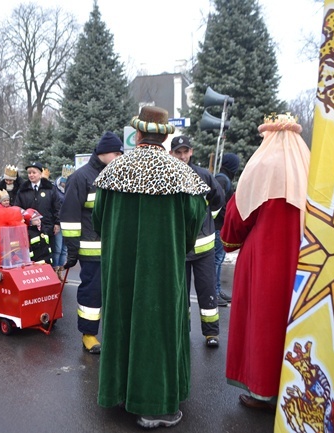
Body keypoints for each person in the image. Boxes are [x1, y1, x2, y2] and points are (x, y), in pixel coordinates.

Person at [92, 106, 208, 428]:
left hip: (120, 269)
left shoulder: (114, 171)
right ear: (165, 137)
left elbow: (99, 218)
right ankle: (156, 406)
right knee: (157, 328)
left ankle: (120, 392)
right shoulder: (182, 174)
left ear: (138, 134)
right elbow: (194, 221)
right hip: (163, 270)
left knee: (122, 321)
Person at [220, 113, 310, 412]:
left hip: (262, 261)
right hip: (305, 260)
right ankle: (299, 389)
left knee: (262, 322)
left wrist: (230, 241)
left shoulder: (259, 167)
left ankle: (262, 391)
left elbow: (236, 219)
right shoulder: (311, 167)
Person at [60, 132, 123, 354]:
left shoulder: (118, 175)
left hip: (116, 249)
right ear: (103, 152)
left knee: (116, 293)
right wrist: (73, 249)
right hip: (91, 250)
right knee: (92, 293)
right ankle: (89, 335)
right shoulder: (80, 177)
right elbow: (69, 216)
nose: (118, 157)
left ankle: (114, 333)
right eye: (116, 153)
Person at [169, 135, 225, 347]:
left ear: (191, 152)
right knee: (180, 294)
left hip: (204, 249)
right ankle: (183, 330)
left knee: (207, 291)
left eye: (186, 151)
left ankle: (211, 333)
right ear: (172, 153)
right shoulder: (167, 176)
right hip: (179, 248)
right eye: (178, 152)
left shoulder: (203, 175)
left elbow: (218, 200)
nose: (182, 156)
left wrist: (206, 219)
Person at [14, 162, 61, 258]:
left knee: (49, 253)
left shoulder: (50, 188)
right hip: (29, 229)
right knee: (32, 254)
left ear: (40, 174)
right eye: (29, 173)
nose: (31, 175)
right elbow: (17, 208)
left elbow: (57, 206)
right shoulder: (23, 190)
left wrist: (57, 223)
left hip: (47, 227)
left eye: (34, 172)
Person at [213, 152, 240, 305]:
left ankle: (217, 290)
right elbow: (218, 203)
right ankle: (214, 293)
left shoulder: (223, 179)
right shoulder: (222, 180)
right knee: (216, 261)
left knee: (219, 260)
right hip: (217, 227)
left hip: (220, 226)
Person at [51, 167, 71, 281]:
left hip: (68, 222)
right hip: (59, 222)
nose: (64, 185)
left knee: (64, 249)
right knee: (57, 248)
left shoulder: (70, 189)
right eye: (64, 183)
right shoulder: (55, 190)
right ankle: (54, 270)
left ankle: (60, 271)